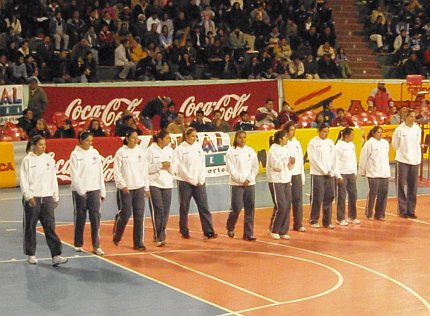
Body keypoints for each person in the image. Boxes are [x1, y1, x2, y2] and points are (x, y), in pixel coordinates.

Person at [20, 135, 68, 266]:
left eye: (44, 145)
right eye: (41, 144)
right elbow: (23, 180)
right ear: (34, 145)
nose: (43, 147)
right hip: (33, 198)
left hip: (47, 198)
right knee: (30, 226)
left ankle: (56, 255)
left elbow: (53, 178)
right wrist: (28, 196)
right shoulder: (27, 160)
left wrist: (55, 196)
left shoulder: (49, 159)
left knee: (50, 227)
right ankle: (31, 254)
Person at [172, 127, 217, 239]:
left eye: (195, 136)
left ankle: (208, 231)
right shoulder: (180, 149)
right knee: (184, 207)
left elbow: (202, 164)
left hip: (199, 182)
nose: (194, 138)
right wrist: (191, 179)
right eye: (192, 136)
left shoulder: (198, 148)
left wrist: (201, 179)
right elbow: (180, 167)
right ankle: (184, 230)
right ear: (186, 136)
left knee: (204, 206)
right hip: (185, 182)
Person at [70, 131, 106, 255]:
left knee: (95, 217)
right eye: (87, 141)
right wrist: (80, 190)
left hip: (94, 189)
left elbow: (100, 172)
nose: (90, 143)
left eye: (91, 141)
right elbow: (74, 174)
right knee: (80, 216)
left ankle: (96, 245)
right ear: (81, 140)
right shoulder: (75, 154)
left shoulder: (95, 153)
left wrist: (102, 190)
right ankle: (78, 243)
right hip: (80, 192)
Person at [113, 130, 149, 250]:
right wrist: (122, 185)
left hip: (139, 187)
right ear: (127, 138)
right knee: (126, 214)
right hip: (126, 189)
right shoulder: (120, 153)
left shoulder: (140, 152)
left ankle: (138, 243)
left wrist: (146, 187)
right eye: (133, 138)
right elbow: (117, 171)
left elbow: (144, 171)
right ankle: (117, 235)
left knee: (139, 216)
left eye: (136, 138)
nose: (135, 140)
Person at [225, 131, 259, 241]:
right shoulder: (231, 152)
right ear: (236, 138)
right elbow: (231, 169)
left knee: (250, 208)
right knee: (237, 207)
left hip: (250, 184)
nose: (243, 140)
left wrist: (249, 179)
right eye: (240, 137)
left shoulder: (250, 151)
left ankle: (248, 233)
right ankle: (230, 226)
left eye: (244, 137)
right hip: (237, 184)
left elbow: (255, 167)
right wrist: (241, 180)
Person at [307, 123, 340, 228]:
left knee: (329, 197)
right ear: (318, 131)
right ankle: (313, 219)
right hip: (318, 174)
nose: (326, 134)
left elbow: (334, 158)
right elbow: (313, 160)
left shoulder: (330, 143)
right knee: (317, 196)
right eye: (324, 131)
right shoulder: (313, 143)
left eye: (327, 131)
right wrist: (323, 170)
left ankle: (327, 221)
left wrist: (333, 171)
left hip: (329, 174)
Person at [146, 130, 174, 246]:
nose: (169, 140)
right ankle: (159, 236)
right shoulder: (149, 151)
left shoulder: (170, 150)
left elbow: (174, 165)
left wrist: (170, 169)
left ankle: (161, 232)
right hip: (154, 184)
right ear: (160, 139)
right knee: (158, 210)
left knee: (166, 211)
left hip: (167, 184)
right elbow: (146, 169)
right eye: (167, 138)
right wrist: (160, 165)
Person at [392, 109, 421, 219]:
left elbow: (417, 142)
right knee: (401, 185)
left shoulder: (417, 129)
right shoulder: (399, 130)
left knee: (413, 187)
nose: (413, 119)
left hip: (415, 160)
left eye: (414, 117)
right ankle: (402, 210)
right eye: (411, 117)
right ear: (406, 117)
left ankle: (411, 210)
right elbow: (395, 145)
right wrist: (403, 153)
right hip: (403, 160)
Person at [266, 130, 295, 240]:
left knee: (287, 205)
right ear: (280, 139)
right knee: (281, 205)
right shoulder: (273, 150)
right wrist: (286, 159)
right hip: (276, 180)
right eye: (285, 137)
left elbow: (288, 166)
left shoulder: (285, 150)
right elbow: (276, 166)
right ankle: (274, 229)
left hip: (286, 179)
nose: (287, 139)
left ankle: (283, 230)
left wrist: (291, 162)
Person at [359, 126, 390, 221]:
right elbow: (363, 158)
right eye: (378, 132)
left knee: (383, 194)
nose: (380, 134)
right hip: (373, 172)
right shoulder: (369, 144)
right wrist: (362, 170)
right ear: (373, 133)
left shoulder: (385, 143)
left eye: (381, 132)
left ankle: (380, 213)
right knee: (373, 193)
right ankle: (369, 213)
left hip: (384, 172)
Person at [335, 127, 360, 226]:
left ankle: (352, 216)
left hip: (351, 173)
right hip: (342, 173)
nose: (353, 137)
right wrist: (338, 175)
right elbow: (335, 162)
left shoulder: (352, 145)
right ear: (346, 135)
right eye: (352, 135)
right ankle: (340, 218)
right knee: (341, 196)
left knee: (353, 194)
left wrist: (355, 172)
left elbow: (354, 159)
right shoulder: (338, 147)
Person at [284, 121, 306, 232]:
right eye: (291, 130)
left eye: (294, 130)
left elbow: (301, 160)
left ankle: (298, 224)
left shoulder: (297, 143)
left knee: (298, 200)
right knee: (286, 201)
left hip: (297, 174)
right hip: (287, 175)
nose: (293, 132)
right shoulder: (283, 143)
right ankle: (283, 225)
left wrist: (302, 176)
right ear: (287, 131)